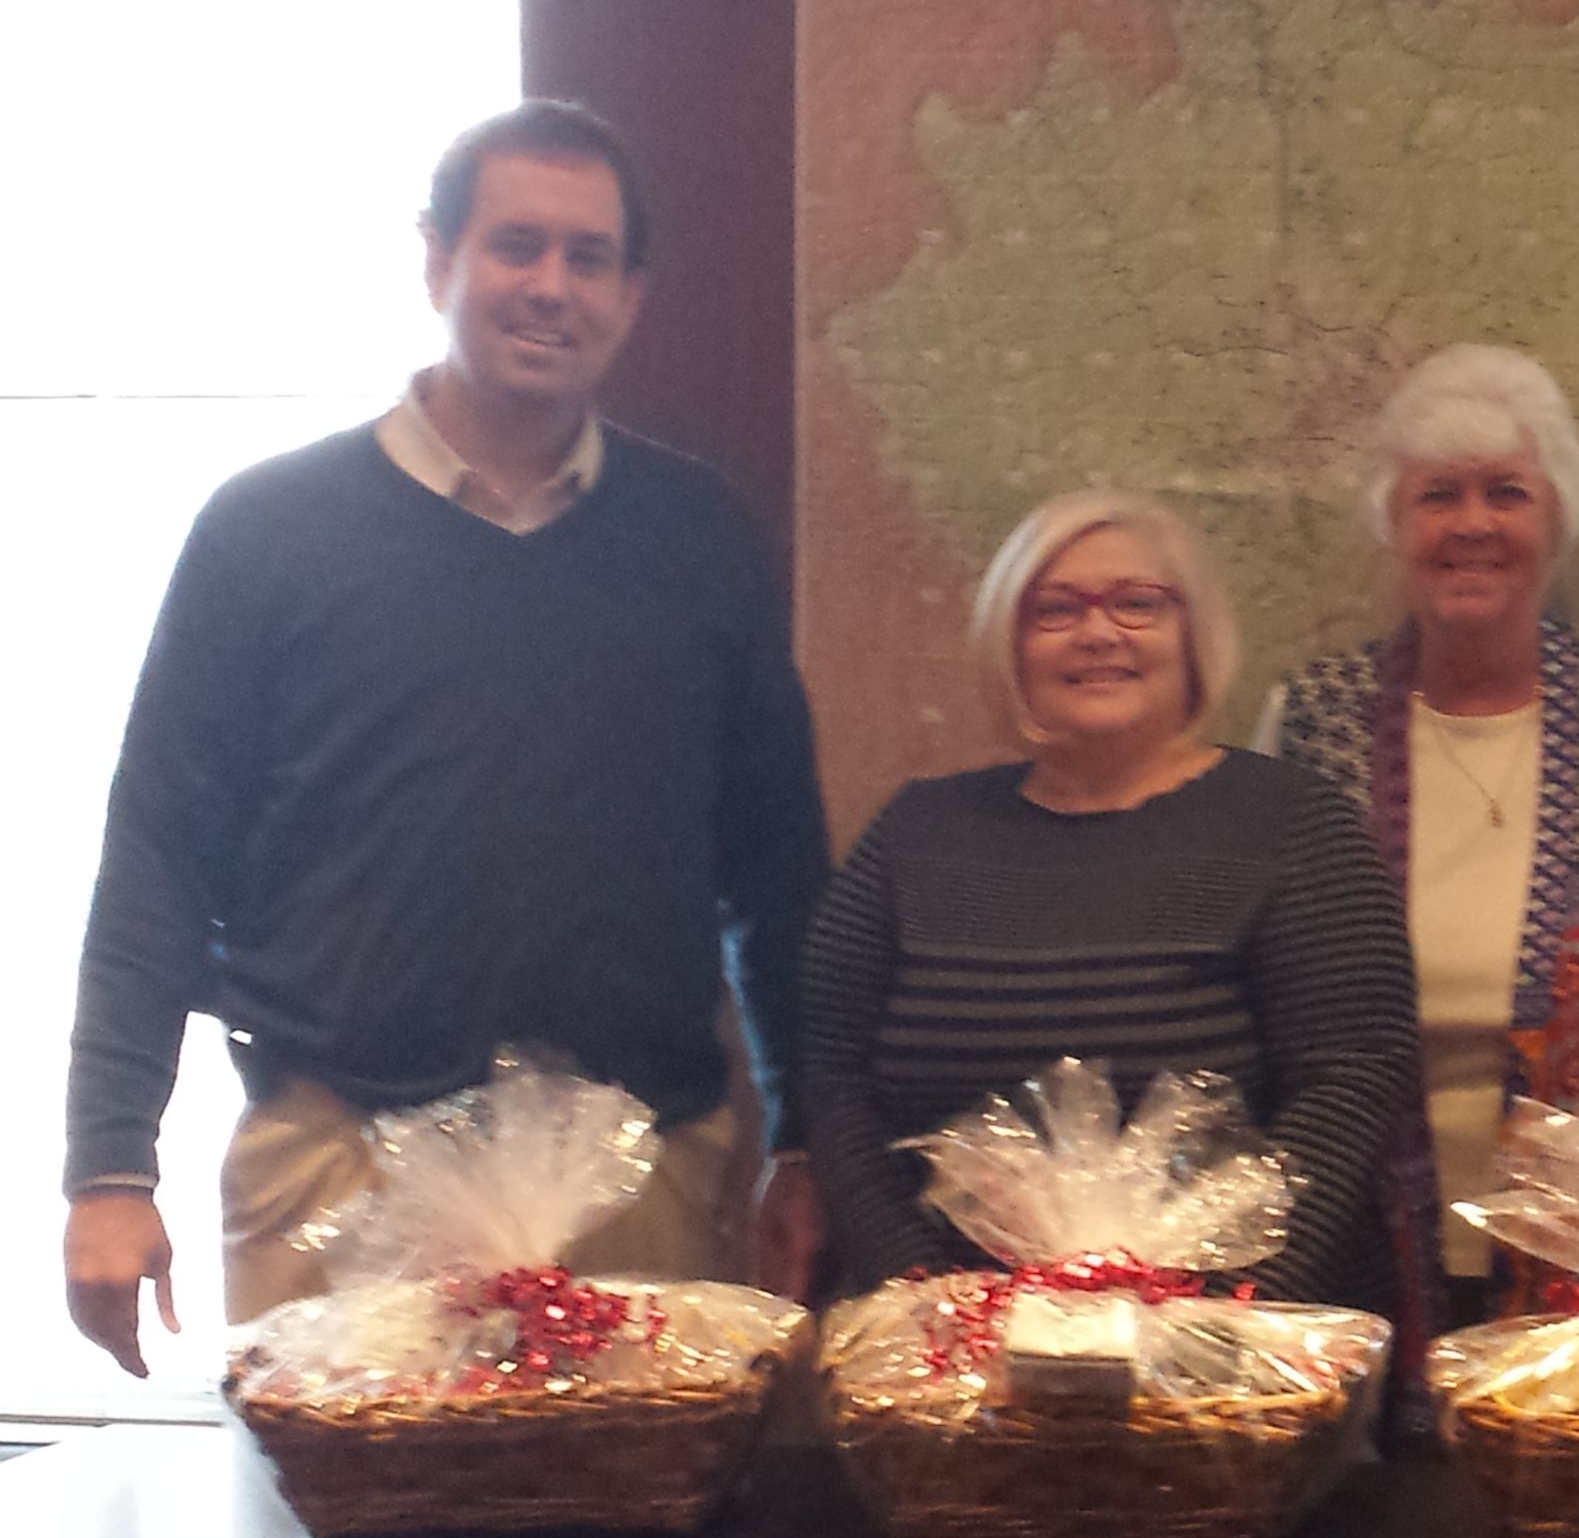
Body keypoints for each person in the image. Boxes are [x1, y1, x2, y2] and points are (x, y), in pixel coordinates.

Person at [63, 100, 831, 1371]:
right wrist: (107, 1164)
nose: (550, 286)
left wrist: (802, 1141)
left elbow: (780, 872)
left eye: (589, 257)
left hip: (637, 1186)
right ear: (438, 261)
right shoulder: (265, 533)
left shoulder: (702, 537)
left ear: (633, 294)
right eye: (515, 245)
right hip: (338, 1170)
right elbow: (155, 859)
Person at [1255, 343, 1579, 1323]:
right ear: (1393, 524)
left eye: (1507, 492)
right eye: (1439, 495)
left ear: (1559, 519)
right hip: (1348, 1264)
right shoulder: (1310, 720)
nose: (1473, 525)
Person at [801, 491, 1420, 1304]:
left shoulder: (1295, 825)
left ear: (1192, 634)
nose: (1099, 633)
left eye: (1137, 604)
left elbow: (1353, 1080)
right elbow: (833, 1073)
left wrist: (1219, 1306)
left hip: (1241, 1355)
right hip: (946, 1349)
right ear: (1009, 644)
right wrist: (923, 1290)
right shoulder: (916, 831)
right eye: (1054, 610)